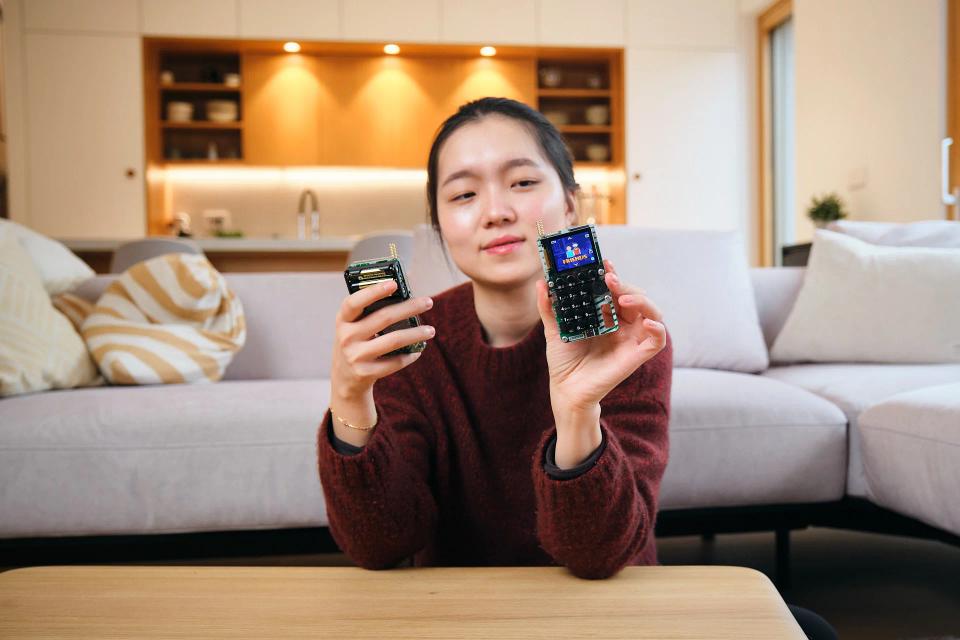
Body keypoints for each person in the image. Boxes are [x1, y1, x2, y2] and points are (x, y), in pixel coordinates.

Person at [317, 96, 671, 580]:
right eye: (464, 195)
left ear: (571, 203)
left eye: (522, 183)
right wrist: (348, 398)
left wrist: (577, 416)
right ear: (439, 224)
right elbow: (381, 545)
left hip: (604, 617)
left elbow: (602, 555)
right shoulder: (412, 345)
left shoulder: (626, 337)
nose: (496, 212)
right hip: (455, 618)